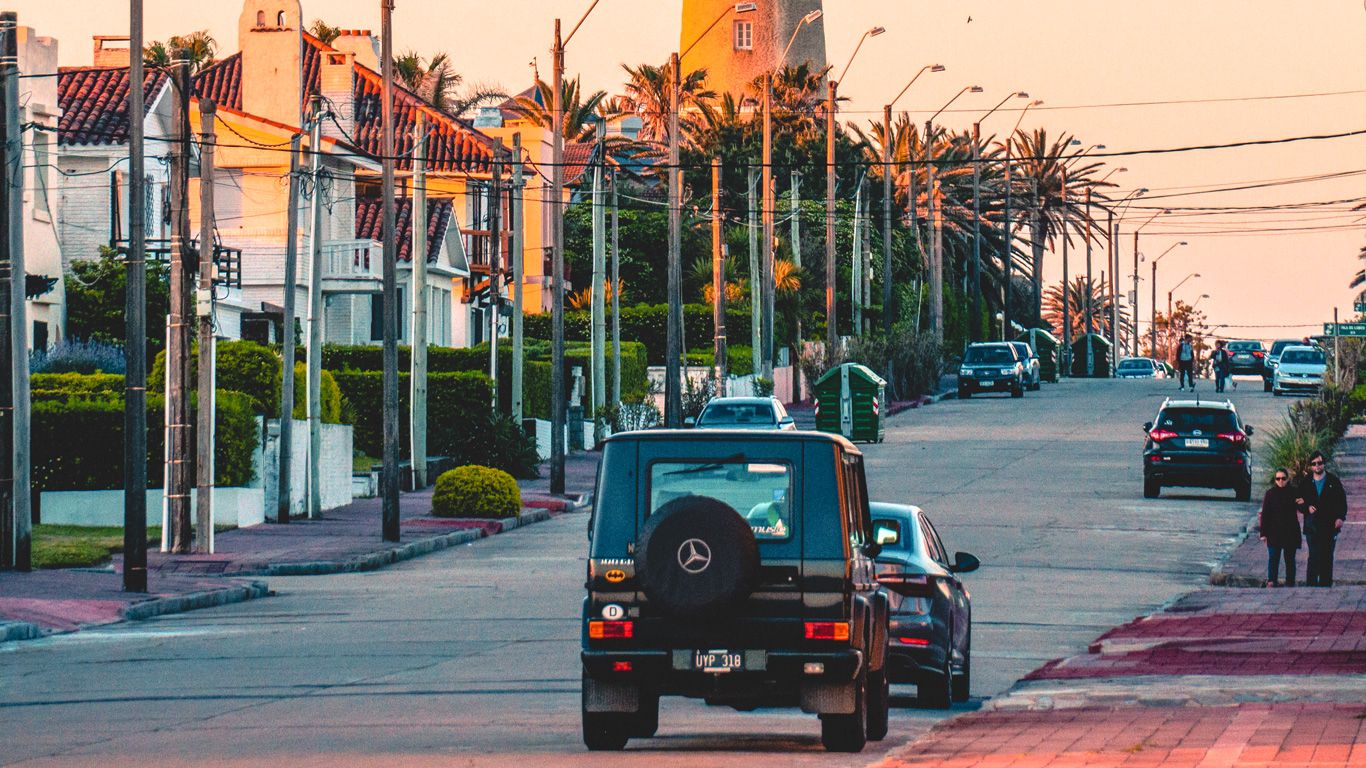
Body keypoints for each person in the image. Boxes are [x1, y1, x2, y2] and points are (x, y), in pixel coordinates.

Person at [1298, 451, 1348, 587]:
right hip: (1312, 525)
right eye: (1314, 464)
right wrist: (1306, 508)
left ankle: (1325, 585)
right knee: (1313, 555)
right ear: (1310, 466)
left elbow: (1342, 502)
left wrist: (1340, 518)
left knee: (1327, 555)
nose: (1317, 466)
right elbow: (1298, 501)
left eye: (1319, 463)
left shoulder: (1333, 481)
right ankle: (1311, 585)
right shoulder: (1306, 482)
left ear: (1323, 464)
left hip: (1329, 526)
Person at [1259, 468, 1300, 586]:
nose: (1281, 481)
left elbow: (1301, 507)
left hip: (1290, 531)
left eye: (1283, 478)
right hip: (1274, 532)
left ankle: (1290, 582)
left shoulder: (1294, 492)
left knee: (1290, 560)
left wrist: (1303, 503)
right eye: (1278, 478)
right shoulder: (1270, 493)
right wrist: (1263, 533)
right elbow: (1265, 514)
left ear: (1287, 479)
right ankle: (1272, 581)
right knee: (1273, 558)